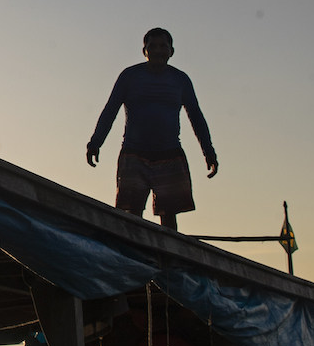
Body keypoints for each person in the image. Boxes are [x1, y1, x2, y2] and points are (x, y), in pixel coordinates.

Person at [85, 28, 218, 232]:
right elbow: (110, 109)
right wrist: (95, 142)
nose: (157, 51)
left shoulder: (180, 80)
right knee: (131, 214)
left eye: (162, 46)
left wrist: (208, 152)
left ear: (171, 51)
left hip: (170, 155)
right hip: (134, 154)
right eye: (152, 47)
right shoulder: (130, 76)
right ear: (144, 51)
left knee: (169, 217)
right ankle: (131, 254)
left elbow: (196, 117)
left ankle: (169, 259)